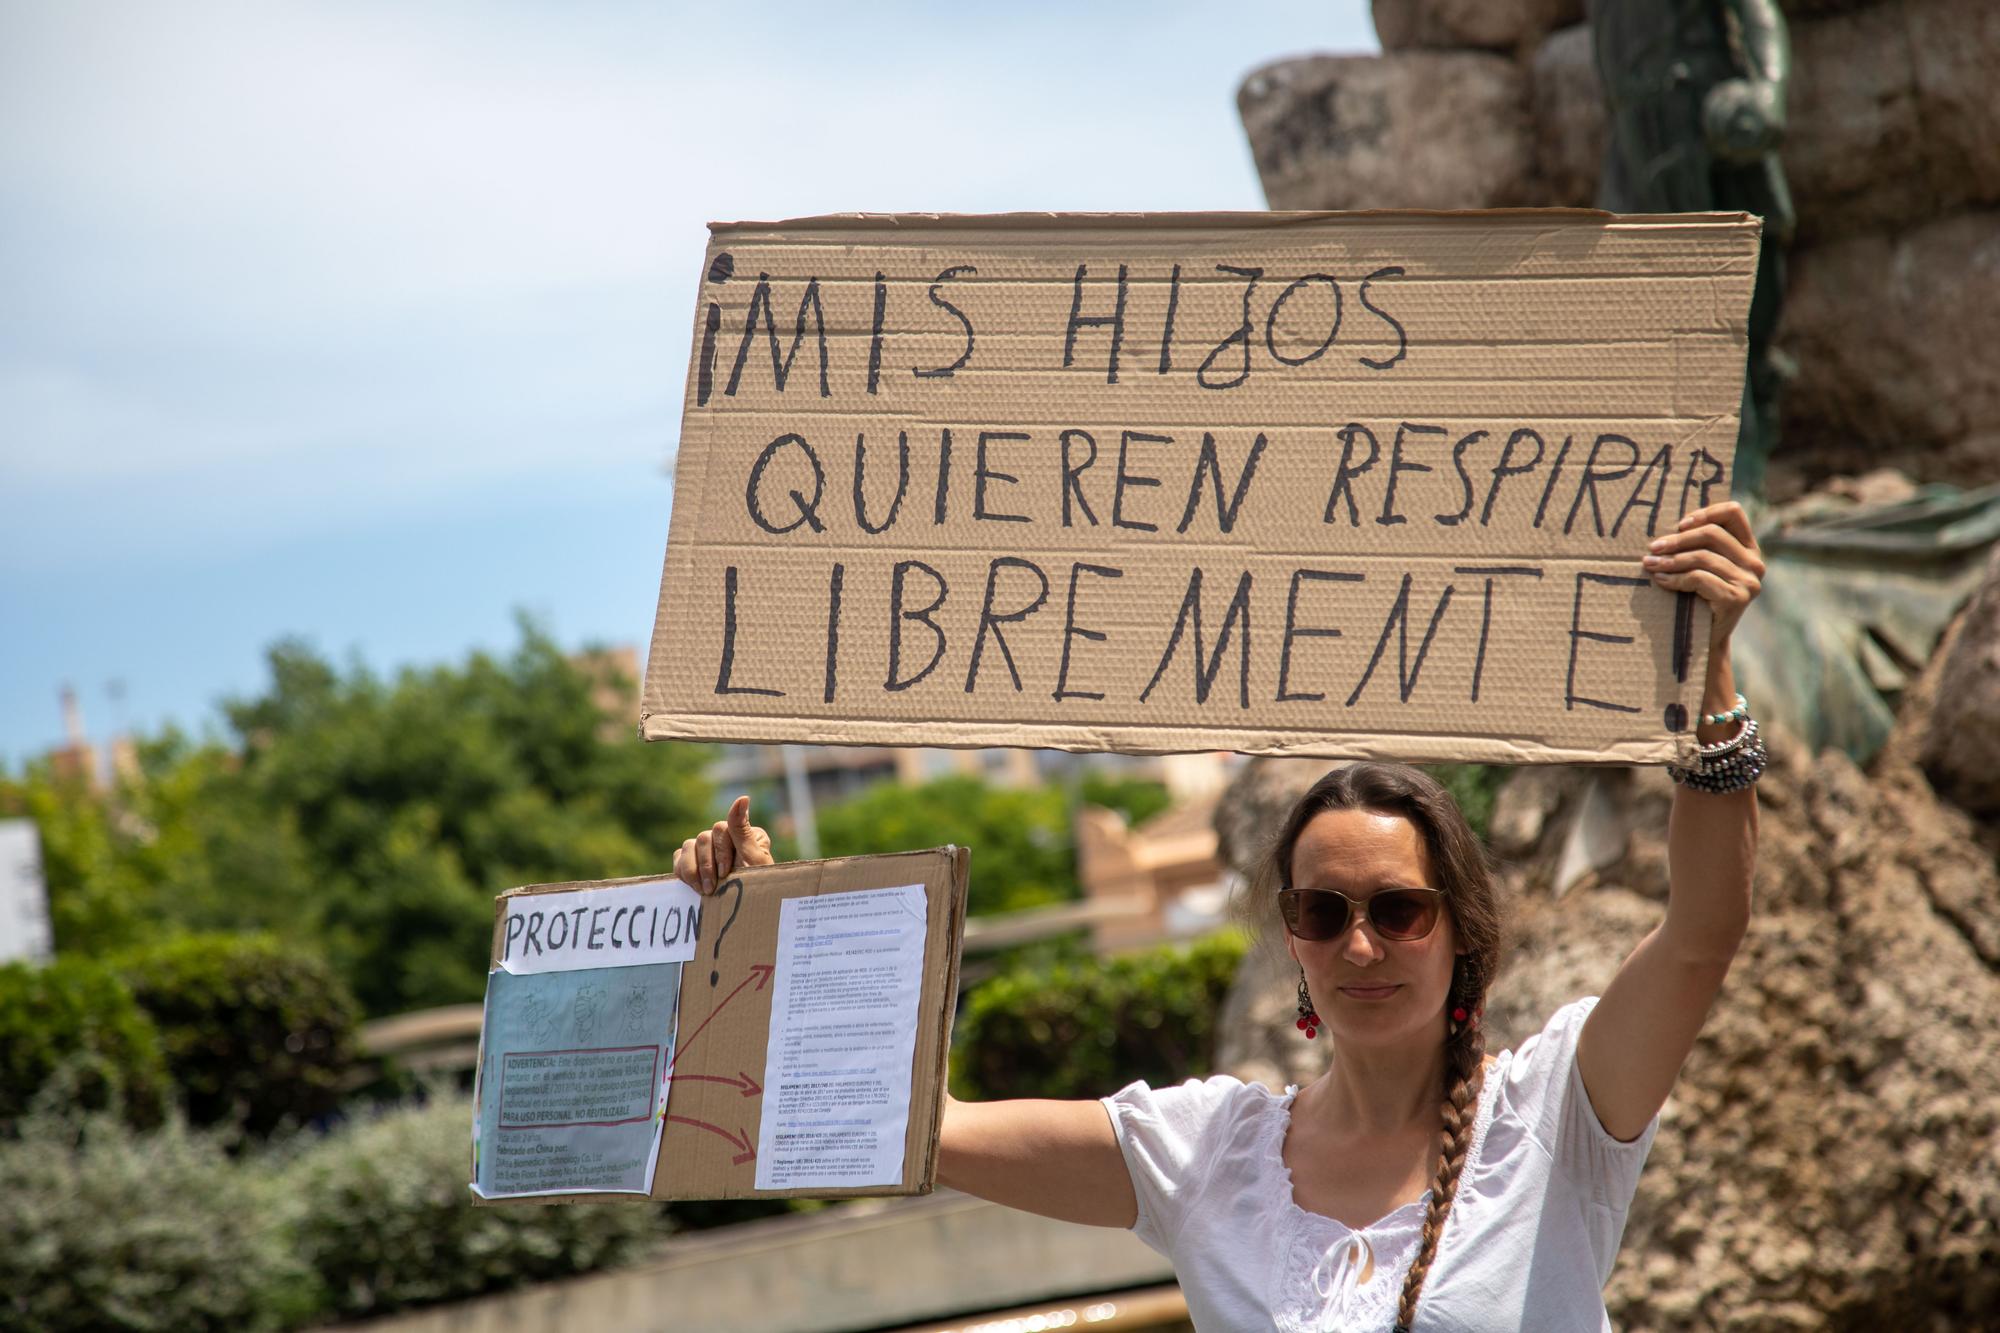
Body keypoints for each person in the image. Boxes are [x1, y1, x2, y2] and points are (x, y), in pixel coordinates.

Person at [675, 502, 1767, 1332]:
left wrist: (1707, 671)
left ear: (1460, 929)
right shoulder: (1206, 1154)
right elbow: (923, 1124)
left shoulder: (1558, 1110)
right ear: (1287, 938)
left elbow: (1701, 930)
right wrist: (766, 920)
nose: (1359, 942)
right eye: (1320, 908)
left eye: (1397, 907)